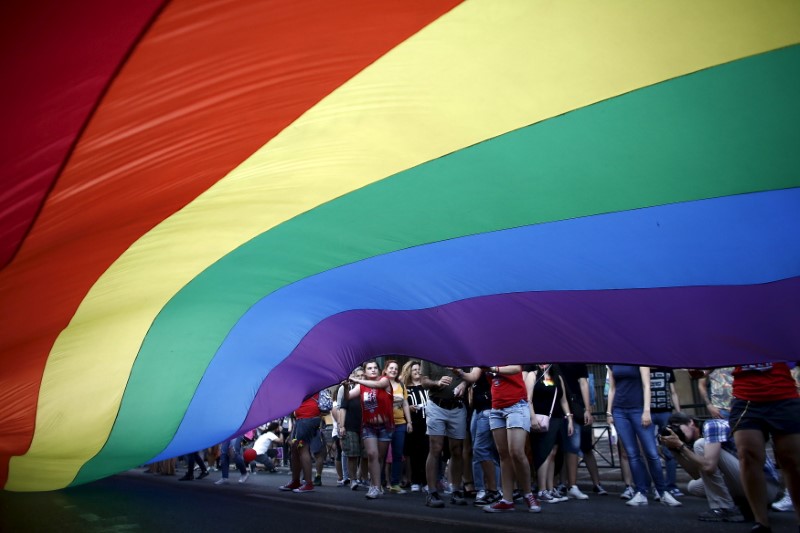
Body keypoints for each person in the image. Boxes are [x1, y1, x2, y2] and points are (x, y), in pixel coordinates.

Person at [660, 411, 780, 522]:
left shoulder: (712, 426)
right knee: (694, 486)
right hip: (748, 482)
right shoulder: (693, 441)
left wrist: (681, 447)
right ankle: (746, 506)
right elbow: (698, 474)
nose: (676, 433)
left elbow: (709, 467)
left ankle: (725, 508)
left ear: (691, 422)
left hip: (765, 485)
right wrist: (675, 451)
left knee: (700, 445)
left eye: (677, 427)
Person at [729, 363, 800, 532]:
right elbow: (708, 357)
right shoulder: (731, 336)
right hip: (745, 399)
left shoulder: (781, 335)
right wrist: (698, 369)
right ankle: (761, 523)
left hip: (784, 395)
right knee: (748, 456)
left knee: (792, 461)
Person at [462, 365, 540, 513]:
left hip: (516, 405)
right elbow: (472, 377)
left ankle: (528, 494)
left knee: (516, 452)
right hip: (496, 408)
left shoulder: (509, 349)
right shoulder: (485, 356)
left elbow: (516, 368)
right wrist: (459, 372)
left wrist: (493, 369)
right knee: (503, 455)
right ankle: (507, 500)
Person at [606, 364, 681, 507]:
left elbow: (647, 386)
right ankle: (641, 492)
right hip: (620, 411)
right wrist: (609, 412)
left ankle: (662, 491)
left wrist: (646, 411)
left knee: (651, 452)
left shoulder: (638, 358)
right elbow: (612, 388)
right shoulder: (612, 362)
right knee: (632, 454)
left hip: (638, 409)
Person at [420, 361, 472, 508]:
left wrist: (464, 384)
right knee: (435, 447)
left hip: (457, 405)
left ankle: (456, 490)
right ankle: (432, 491)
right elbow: (423, 381)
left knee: (457, 449)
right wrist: (437, 383)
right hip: (436, 404)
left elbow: (470, 377)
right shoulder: (428, 355)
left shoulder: (461, 352)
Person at [346, 360, 395, 500]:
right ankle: (374, 487)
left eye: (375, 368)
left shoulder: (384, 380)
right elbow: (348, 397)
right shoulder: (361, 387)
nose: (373, 370)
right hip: (369, 426)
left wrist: (355, 379)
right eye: (369, 368)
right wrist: (344, 385)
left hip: (385, 426)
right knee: (372, 455)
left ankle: (377, 484)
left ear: (379, 370)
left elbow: (378, 385)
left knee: (379, 457)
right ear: (365, 371)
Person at [526, 364, 573, 504]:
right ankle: (542, 489)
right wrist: (532, 417)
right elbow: (528, 398)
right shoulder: (533, 375)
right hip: (540, 418)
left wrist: (569, 418)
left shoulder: (556, 377)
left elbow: (563, 400)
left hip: (556, 418)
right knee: (543, 453)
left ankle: (550, 487)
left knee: (553, 453)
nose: (543, 363)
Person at [558, 363, 605, 498]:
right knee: (564, 448)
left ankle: (592, 483)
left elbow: (584, 383)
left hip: (576, 406)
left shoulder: (576, 361)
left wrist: (587, 409)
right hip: (565, 405)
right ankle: (565, 483)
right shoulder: (556, 361)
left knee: (583, 446)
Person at [468, 366, 502, 507]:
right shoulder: (473, 363)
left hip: (488, 409)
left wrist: (459, 373)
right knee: (478, 451)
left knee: (484, 449)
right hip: (477, 410)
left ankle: (495, 490)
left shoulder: (486, 363)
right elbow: (472, 379)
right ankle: (481, 489)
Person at [278, 391, 323, 493]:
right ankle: (296, 481)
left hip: (307, 416)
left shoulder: (305, 379)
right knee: (295, 448)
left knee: (302, 448)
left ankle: (308, 483)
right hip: (304, 417)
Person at [649, 367, 682, 497]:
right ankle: (657, 486)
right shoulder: (642, 368)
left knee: (669, 451)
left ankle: (671, 485)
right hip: (649, 413)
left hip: (665, 411)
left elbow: (673, 392)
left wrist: (678, 413)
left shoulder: (667, 369)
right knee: (650, 451)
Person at [382, 360, 413, 494]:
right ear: (386, 369)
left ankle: (395, 484)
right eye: (391, 368)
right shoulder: (381, 383)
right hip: (384, 424)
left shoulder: (401, 385)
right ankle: (380, 483)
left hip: (400, 423)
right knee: (381, 455)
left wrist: (409, 422)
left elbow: (405, 404)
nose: (394, 370)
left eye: (396, 368)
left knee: (398, 454)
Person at [337, 367, 368, 491]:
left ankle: (364, 478)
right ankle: (353, 479)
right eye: (358, 376)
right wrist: (341, 426)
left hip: (366, 426)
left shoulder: (368, 390)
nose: (361, 378)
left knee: (366, 454)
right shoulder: (348, 392)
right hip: (351, 426)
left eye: (362, 376)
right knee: (352, 454)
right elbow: (342, 408)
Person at [401, 360, 429, 492]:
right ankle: (415, 480)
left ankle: (427, 481)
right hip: (413, 423)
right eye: (414, 370)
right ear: (409, 372)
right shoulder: (406, 387)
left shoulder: (427, 386)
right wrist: (409, 408)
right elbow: (401, 405)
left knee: (427, 451)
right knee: (414, 452)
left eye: (419, 369)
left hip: (428, 422)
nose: (417, 372)